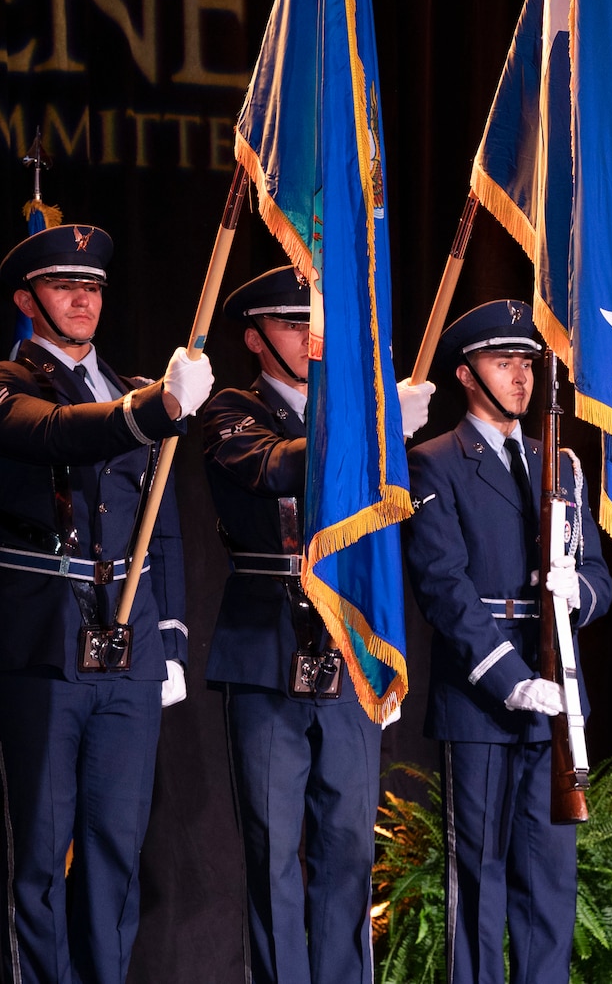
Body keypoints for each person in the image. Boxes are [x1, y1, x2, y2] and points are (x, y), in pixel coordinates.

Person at [0, 223, 212, 984]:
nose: (81, 298)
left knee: (115, 846)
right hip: (41, 637)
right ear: (25, 298)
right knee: (37, 847)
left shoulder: (132, 387)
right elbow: (56, 436)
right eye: (65, 285)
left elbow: (159, 519)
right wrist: (153, 409)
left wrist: (169, 635)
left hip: (128, 645)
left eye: (93, 285)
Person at [199, 265, 433, 984]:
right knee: (273, 851)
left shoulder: (358, 417)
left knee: (348, 845)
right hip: (267, 647)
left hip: (351, 647)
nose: (311, 338)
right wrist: (376, 427)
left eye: (315, 324)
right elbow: (274, 469)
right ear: (254, 336)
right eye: (294, 324)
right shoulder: (230, 408)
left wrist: (390, 440)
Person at [402, 299, 612, 984]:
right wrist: (508, 676)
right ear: (466, 374)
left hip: (556, 700)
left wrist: (577, 590)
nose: (520, 377)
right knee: (480, 879)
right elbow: (443, 584)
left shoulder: (565, 466)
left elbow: (597, 574)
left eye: (526, 362)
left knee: (549, 883)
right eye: (503, 362)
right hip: (483, 697)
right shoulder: (435, 461)